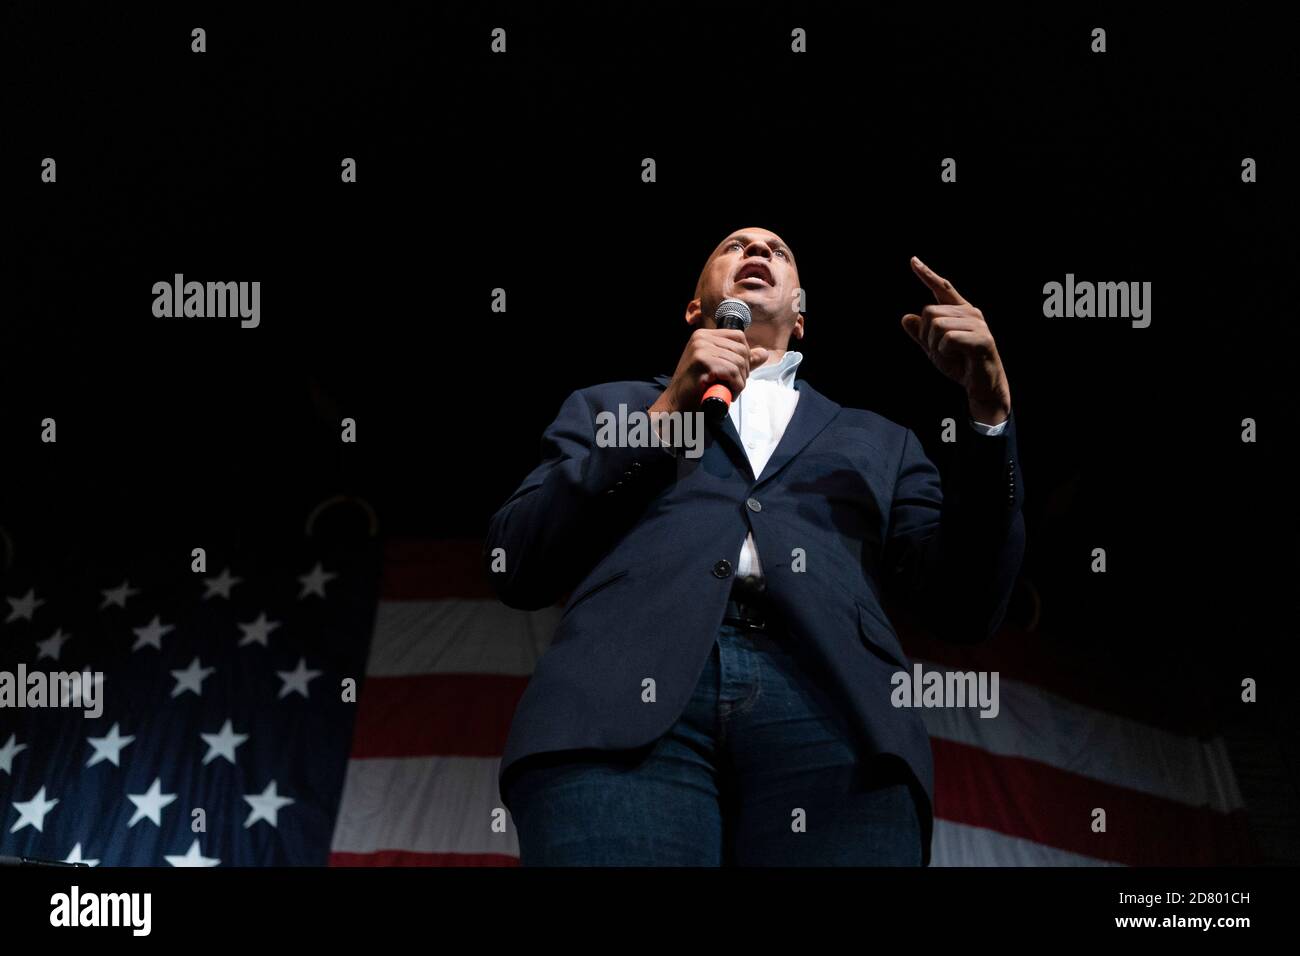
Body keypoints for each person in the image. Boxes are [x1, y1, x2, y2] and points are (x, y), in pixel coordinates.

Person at [485, 227, 1024, 865]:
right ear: (694, 309)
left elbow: (966, 605)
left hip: (839, 724)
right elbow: (516, 561)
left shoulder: (884, 442)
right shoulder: (611, 406)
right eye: (735, 246)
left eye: (780, 251)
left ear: (800, 318)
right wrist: (666, 412)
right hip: (619, 710)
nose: (760, 252)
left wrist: (988, 412)